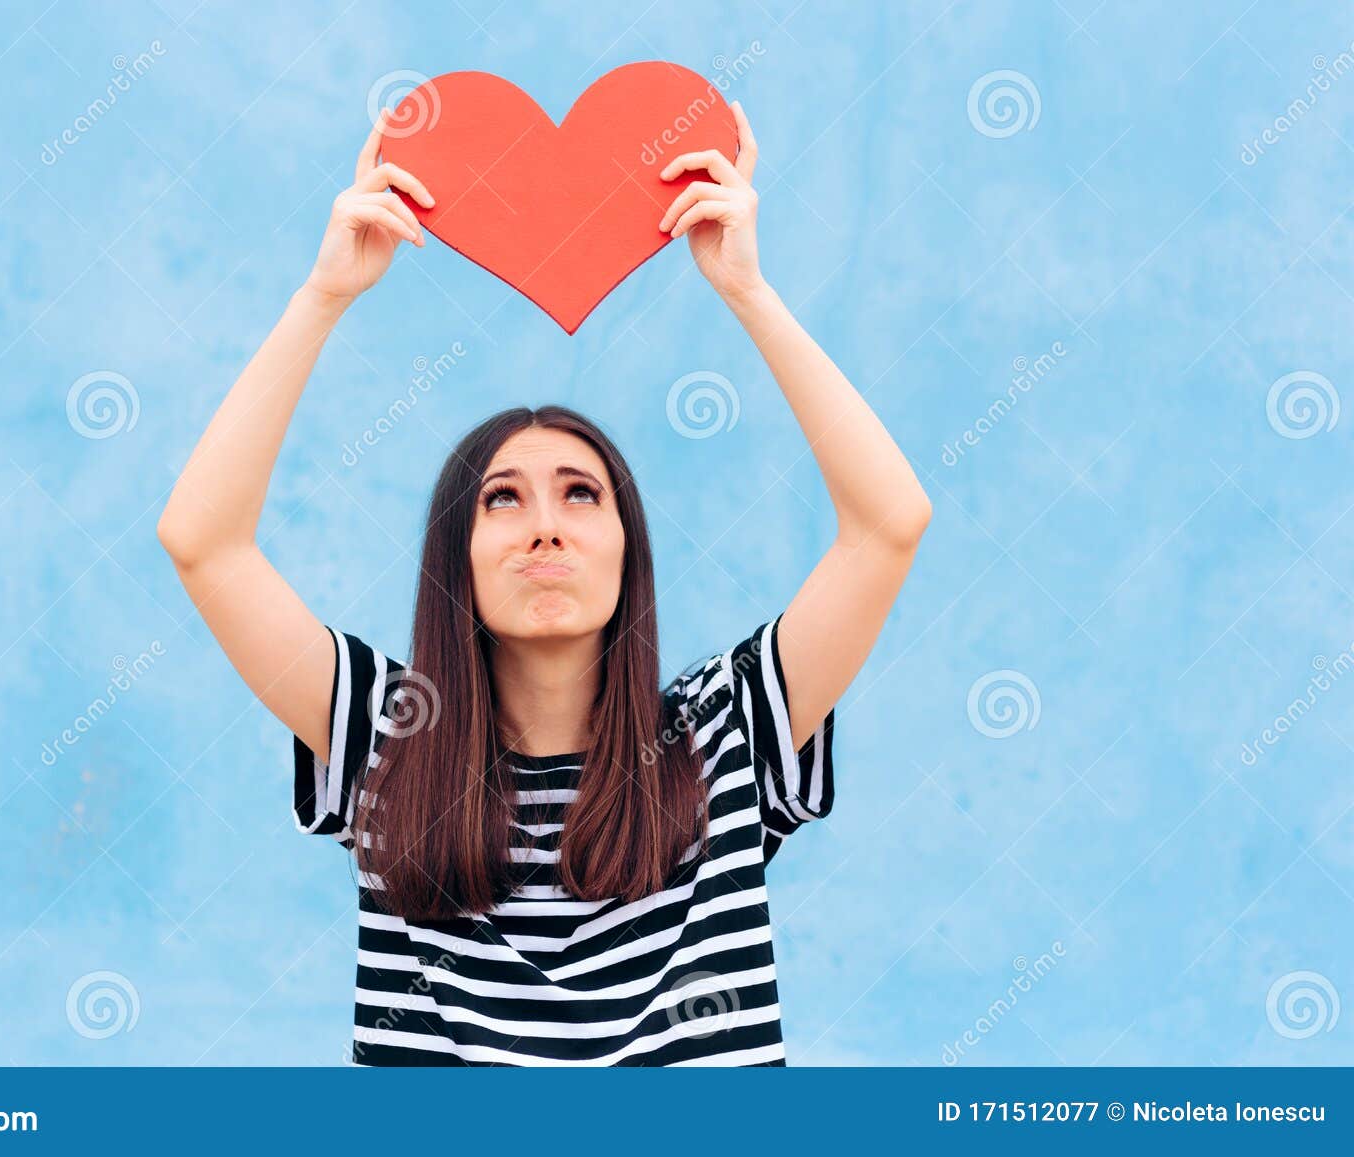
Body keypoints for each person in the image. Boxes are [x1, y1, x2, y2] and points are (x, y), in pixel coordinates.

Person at [157, 101, 931, 1065]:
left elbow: (888, 526)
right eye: (502, 501)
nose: (547, 526)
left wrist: (748, 292)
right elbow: (203, 542)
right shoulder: (387, 736)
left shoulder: (726, 732)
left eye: (580, 494)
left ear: (626, 549)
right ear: (458, 560)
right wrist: (324, 294)